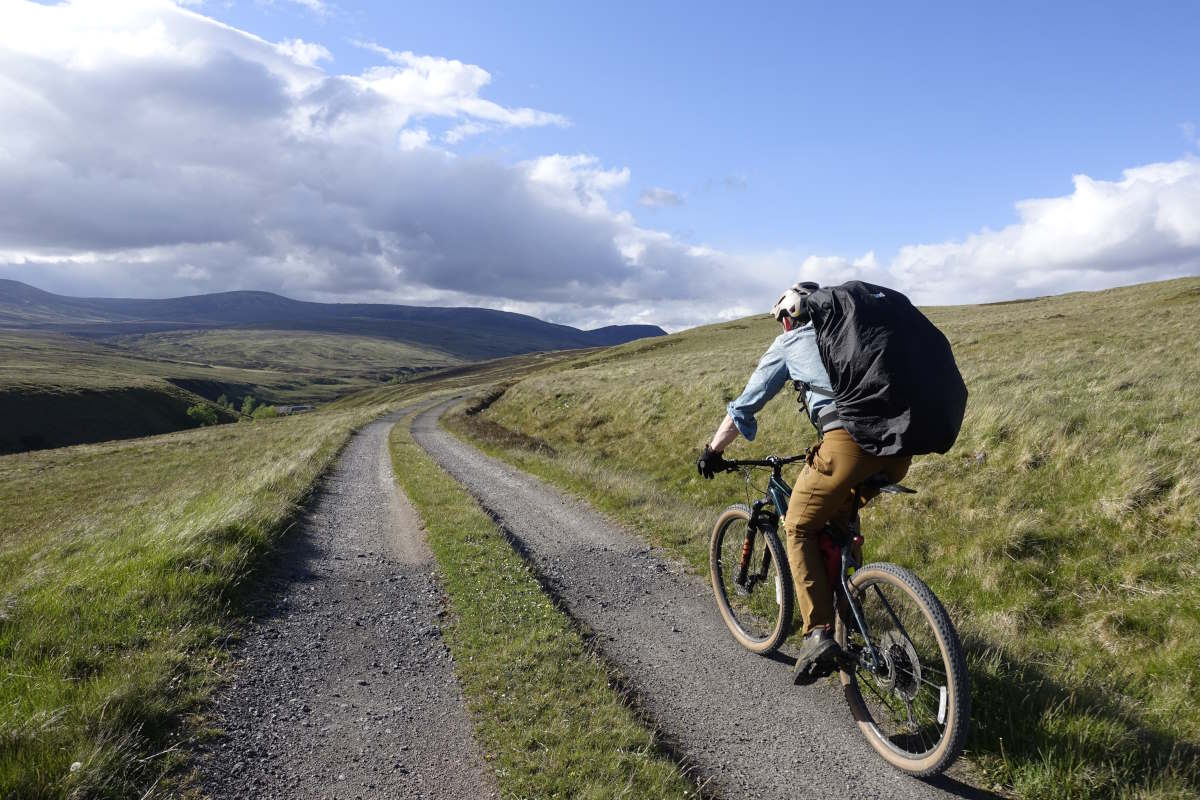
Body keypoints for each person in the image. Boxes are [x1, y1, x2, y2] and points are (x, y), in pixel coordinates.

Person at [696, 281, 912, 685]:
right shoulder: (851, 334)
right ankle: (852, 614)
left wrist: (713, 450)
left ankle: (818, 633)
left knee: (796, 525)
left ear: (787, 318)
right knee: (836, 517)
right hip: (899, 447)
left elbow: (746, 404)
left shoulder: (792, 341)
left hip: (848, 444)